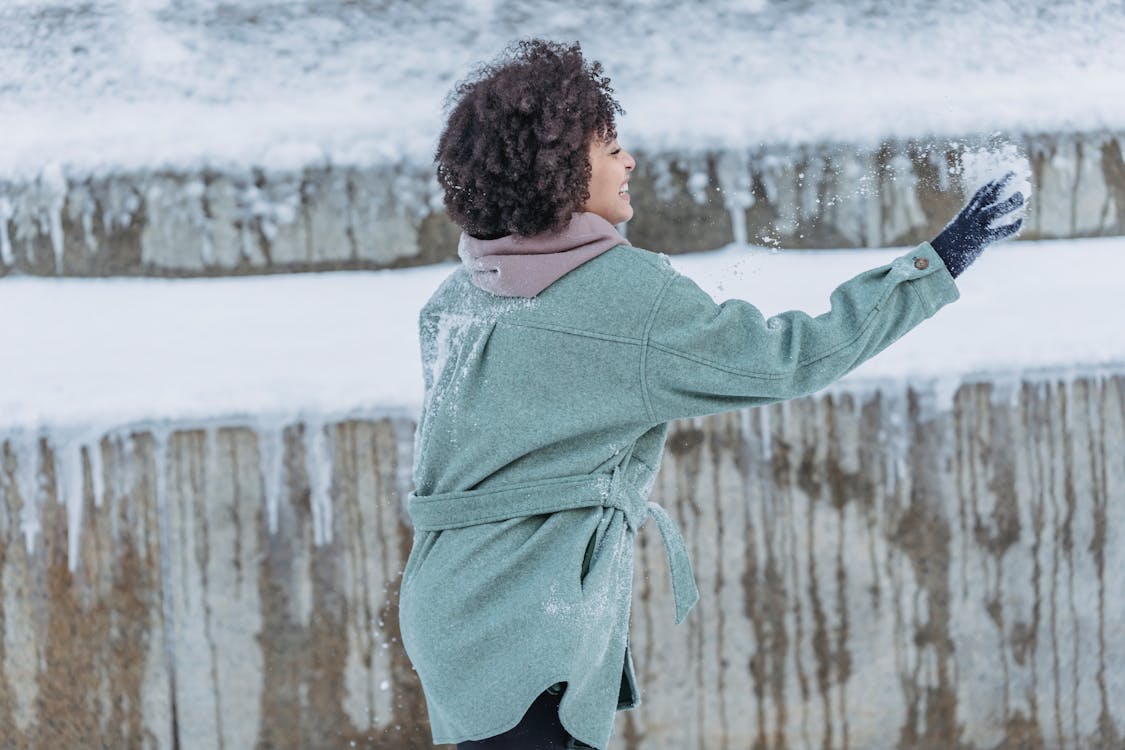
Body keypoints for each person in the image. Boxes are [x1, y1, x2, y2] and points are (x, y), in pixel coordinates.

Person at [398, 39, 1024, 750]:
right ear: (560, 169)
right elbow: (790, 358)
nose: (628, 161)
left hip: (445, 607)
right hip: (526, 619)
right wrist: (938, 263)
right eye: (609, 148)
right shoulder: (623, 298)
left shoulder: (457, 297)